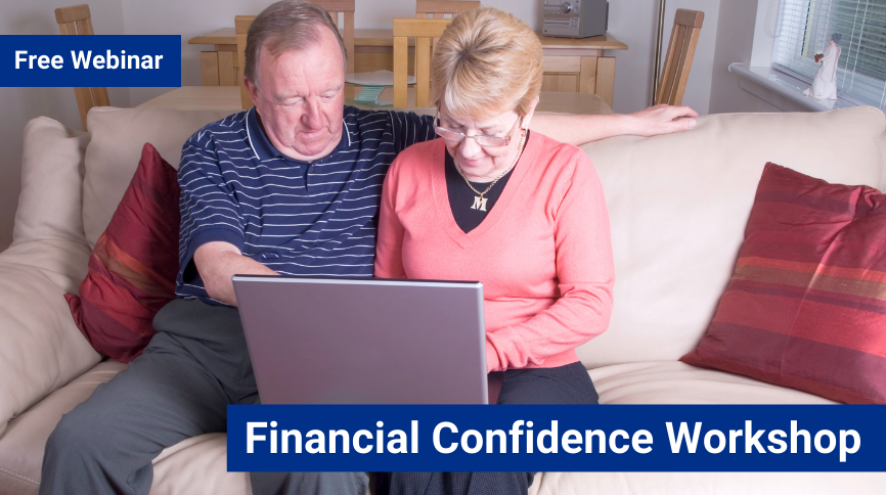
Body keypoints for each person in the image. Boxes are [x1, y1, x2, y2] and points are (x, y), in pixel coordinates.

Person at [39, 1, 697, 494]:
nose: (316, 117)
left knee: (323, 458)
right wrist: (336, 314)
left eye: (329, 92)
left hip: (323, 360)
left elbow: (488, 120)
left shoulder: (391, 136)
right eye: (291, 98)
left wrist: (630, 122)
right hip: (209, 344)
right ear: (253, 91)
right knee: (80, 439)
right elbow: (217, 269)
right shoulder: (214, 148)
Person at [373, 7, 612, 494]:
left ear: (529, 109)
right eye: (452, 125)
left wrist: (489, 351)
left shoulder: (566, 171)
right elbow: (388, 294)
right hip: (434, 363)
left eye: (491, 131)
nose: (469, 149)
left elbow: (592, 302)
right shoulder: (407, 170)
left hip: (543, 368)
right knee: (407, 458)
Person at [803, 33, 841, 100]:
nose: (830, 40)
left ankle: (822, 93)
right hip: (824, 65)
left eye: (831, 39)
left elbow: (828, 57)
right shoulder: (829, 47)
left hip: (827, 67)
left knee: (822, 78)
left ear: (834, 41)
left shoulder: (833, 49)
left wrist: (821, 58)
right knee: (819, 78)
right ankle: (817, 91)